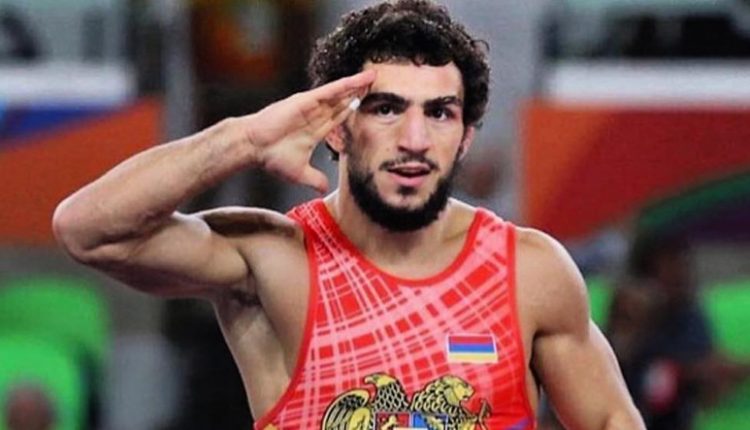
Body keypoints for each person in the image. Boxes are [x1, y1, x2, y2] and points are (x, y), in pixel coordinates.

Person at [53, 1, 644, 428]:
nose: (415, 139)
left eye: (440, 113)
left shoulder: (531, 272)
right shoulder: (274, 261)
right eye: (386, 109)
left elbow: (613, 420)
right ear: (336, 129)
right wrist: (244, 139)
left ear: (464, 138)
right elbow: (89, 231)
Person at [607, 232, 750, 429]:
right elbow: (619, 362)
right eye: (669, 265)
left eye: (682, 264)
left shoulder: (689, 316)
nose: (679, 273)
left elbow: (708, 382)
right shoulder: (630, 308)